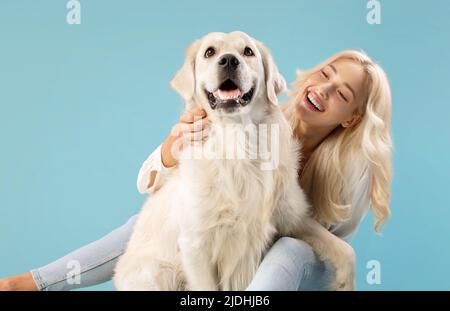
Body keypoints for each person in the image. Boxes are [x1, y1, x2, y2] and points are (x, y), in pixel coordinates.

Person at [0, 50, 392, 291]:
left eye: (342, 93)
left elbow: (315, 242)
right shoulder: (249, 111)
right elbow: (148, 182)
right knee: (161, 214)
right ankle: (32, 284)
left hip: (300, 270)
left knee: (290, 248)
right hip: (234, 261)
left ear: (352, 120)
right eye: (325, 74)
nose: (324, 88)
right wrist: (173, 148)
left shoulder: (351, 169)